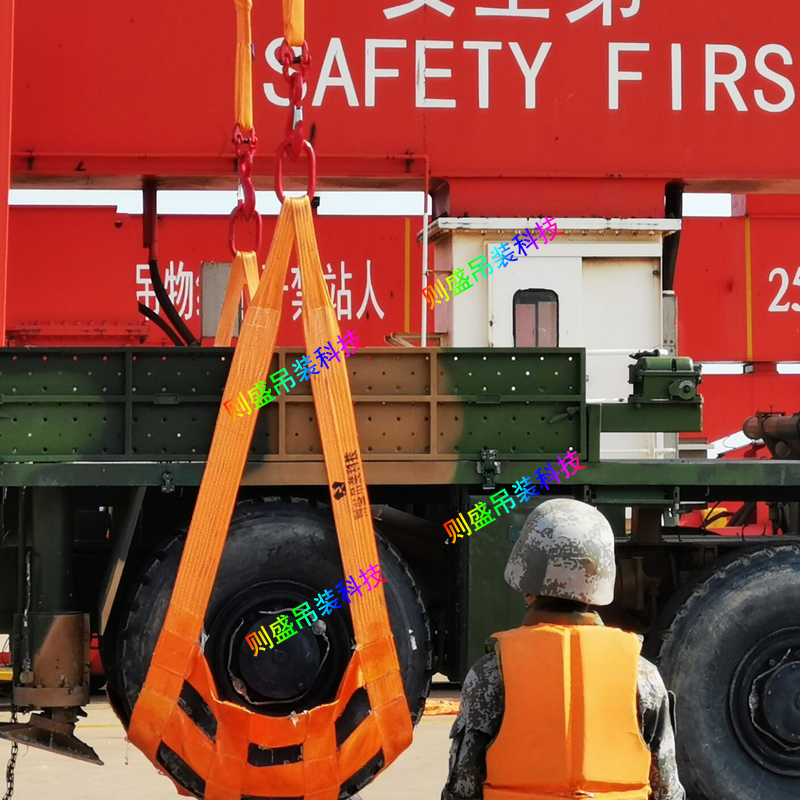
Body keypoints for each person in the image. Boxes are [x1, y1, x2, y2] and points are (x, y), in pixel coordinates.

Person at [442, 498, 685, 800]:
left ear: (527, 587)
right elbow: (667, 790)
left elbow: (463, 788)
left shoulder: (491, 674)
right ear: (600, 584)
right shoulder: (642, 675)